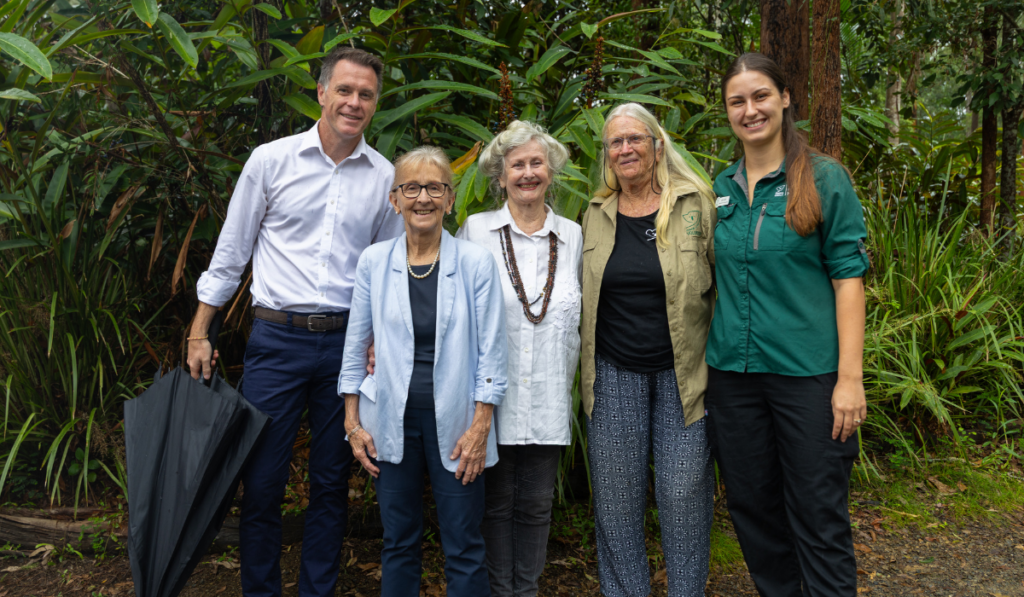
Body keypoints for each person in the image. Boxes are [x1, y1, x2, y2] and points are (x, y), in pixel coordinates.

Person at [187, 47, 403, 597]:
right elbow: (231, 253)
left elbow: (384, 272)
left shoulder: (386, 179)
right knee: (261, 483)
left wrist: (376, 339)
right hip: (276, 342)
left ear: (376, 105)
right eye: (346, 91)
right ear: (322, 92)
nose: (354, 103)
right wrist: (199, 330)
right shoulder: (270, 161)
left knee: (331, 483)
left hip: (346, 347)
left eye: (366, 95)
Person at [706, 53, 869, 597]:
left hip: (808, 377)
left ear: (784, 99)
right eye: (737, 101)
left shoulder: (824, 179)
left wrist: (850, 379)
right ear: (727, 110)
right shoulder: (719, 187)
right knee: (754, 510)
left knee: (818, 513)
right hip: (734, 377)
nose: (750, 110)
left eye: (759, 97)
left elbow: (848, 278)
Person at [338, 146, 508, 597]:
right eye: (411, 187)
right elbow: (355, 347)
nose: (423, 198)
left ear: (450, 200)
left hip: (457, 425)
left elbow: (493, 353)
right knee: (397, 542)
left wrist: (480, 426)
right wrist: (352, 423)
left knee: (464, 544)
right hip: (389, 423)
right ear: (395, 200)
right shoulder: (374, 262)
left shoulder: (475, 263)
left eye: (435, 187)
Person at [580, 103, 717, 596]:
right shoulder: (595, 213)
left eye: (634, 139)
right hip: (614, 372)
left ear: (657, 145)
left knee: (684, 495)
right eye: (615, 142)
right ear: (608, 155)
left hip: (686, 375)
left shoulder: (696, 204)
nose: (625, 149)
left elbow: (726, 288)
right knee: (616, 501)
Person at [455, 120, 582, 597]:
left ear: (550, 171)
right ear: (500, 174)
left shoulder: (572, 237)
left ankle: (524, 592)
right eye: (517, 165)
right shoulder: (476, 232)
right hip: (490, 399)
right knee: (494, 505)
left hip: (549, 395)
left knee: (535, 507)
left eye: (536, 163)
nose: (527, 173)